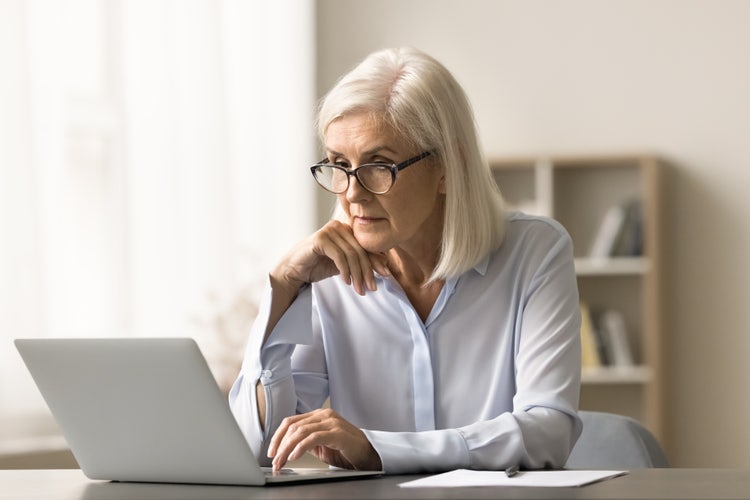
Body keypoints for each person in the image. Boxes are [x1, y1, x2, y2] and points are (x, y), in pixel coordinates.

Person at [229, 47, 582, 474]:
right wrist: (283, 287)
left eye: (379, 165)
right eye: (340, 165)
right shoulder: (328, 276)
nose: (353, 193)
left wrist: (378, 449)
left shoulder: (534, 253)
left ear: (449, 167)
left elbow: (547, 432)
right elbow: (256, 450)